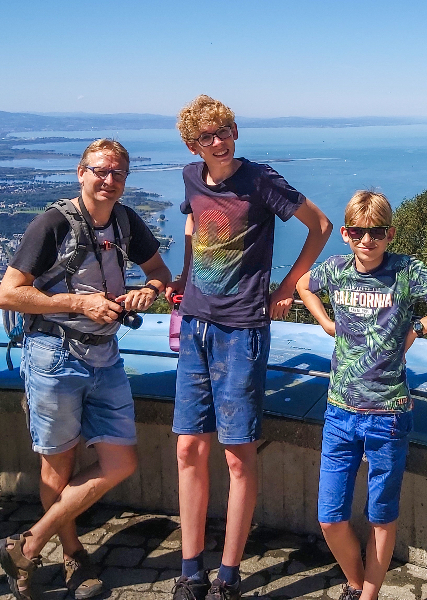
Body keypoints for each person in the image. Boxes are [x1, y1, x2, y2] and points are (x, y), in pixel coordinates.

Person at [166, 95, 332, 600]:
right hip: (195, 324)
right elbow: (194, 224)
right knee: (188, 448)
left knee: (238, 456)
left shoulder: (260, 180)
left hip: (241, 330)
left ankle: (228, 575)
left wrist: (286, 289)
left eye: (227, 130)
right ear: (194, 144)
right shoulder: (192, 177)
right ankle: (190, 569)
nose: (220, 141)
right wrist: (184, 277)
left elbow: (320, 226)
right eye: (209, 135)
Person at [0, 139, 171, 600]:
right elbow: (9, 294)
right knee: (58, 465)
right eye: (100, 171)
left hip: (105, 354)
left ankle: (27, 544)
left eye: (117, 174)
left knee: (121, 461)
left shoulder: (126, 220)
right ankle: (72, 555)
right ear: (81, 172)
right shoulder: (54, 222)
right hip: (53, 354)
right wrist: (76, 302)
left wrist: (146, 290)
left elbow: (160, 271)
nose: (108, 180)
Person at [296, 190, 427, 600]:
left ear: (390, 233)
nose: (367, 240)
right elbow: (304, 285)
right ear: (344, 233)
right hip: (339, 412)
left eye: (376, 232)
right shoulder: (335, 270)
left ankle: (368, 595)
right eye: (358, 232)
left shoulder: (407, 272)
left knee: (381, 516)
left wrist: (418, 326)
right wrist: (326, 323)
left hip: (387, 414)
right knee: (330, 518)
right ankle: (357, 582)